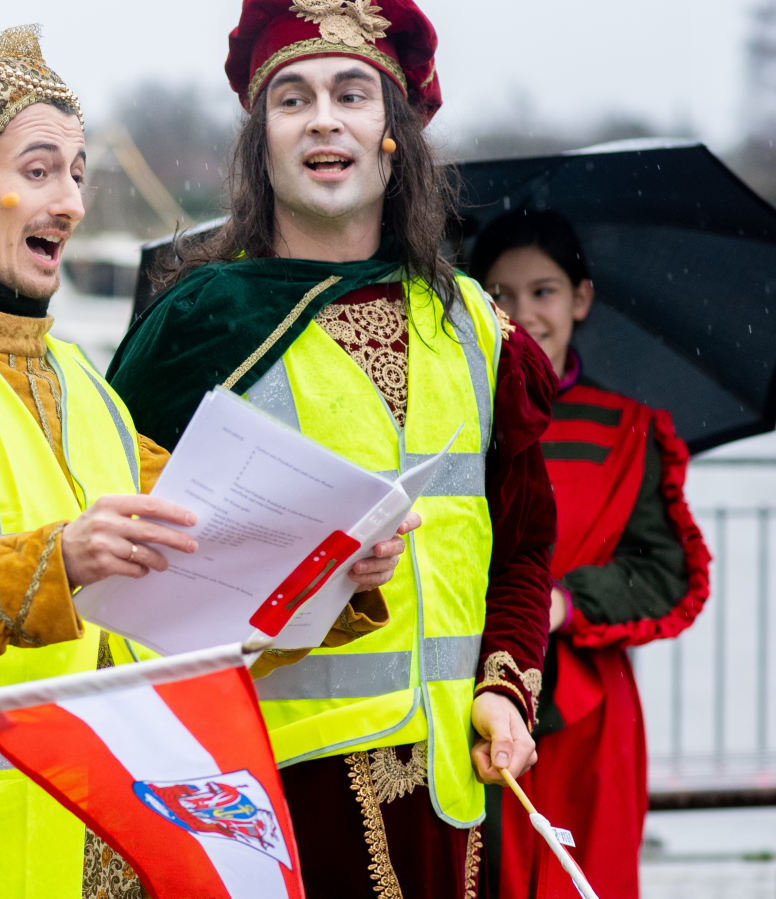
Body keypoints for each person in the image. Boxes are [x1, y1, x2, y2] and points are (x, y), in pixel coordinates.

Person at [0, 25, 412, 899]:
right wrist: (55, 562)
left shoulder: (87, 388)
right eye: (37, 171)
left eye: (75, 173)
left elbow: (183, 623)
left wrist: (329, 570)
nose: (69, 202)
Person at [107, 1, 558, 896]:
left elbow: (522, 542)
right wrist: (302, 571)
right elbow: (127, 572)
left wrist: (503, 688)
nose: (323, 119)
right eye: (293, 99)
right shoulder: (199, 324)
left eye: (352, 94)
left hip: (456, 791)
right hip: (268, 796)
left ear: (394, 133)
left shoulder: (475, 326)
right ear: (261, 143)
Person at [470, 209, 710, 899]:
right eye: (499, 295)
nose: (523, 313)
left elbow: (665, 575)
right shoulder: (452, 421)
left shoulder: (628, 430)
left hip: (589, 717)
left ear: (581, 298)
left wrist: (565, 601)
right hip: (464, 697)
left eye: (543, 291)